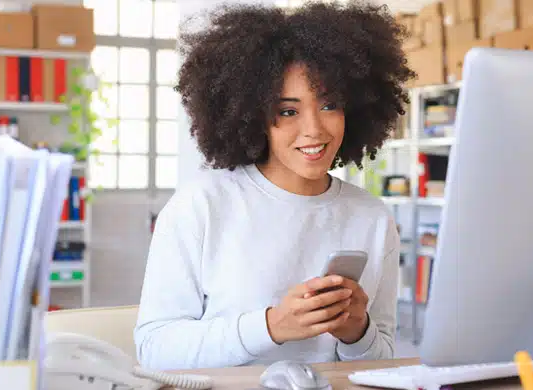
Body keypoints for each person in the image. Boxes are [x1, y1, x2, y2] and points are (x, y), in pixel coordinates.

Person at [134, 0, 415, 370]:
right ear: (253, 116)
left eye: (329, 105)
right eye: (288, 111)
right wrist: (270, 326)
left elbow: (382, 360)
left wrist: (357, 333)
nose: (314, 129)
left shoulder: (372, 218)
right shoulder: (201, 205)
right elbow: (155, 348)